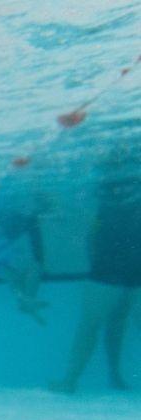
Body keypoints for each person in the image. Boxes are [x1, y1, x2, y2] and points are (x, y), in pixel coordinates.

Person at [51, 148, 139, 392]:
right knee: (106, 323)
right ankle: (78, 379)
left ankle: (77, 380)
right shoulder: (108, 186)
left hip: (114, 263)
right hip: (121, 263)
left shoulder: (100, 186)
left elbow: (87, 228)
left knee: (101, 324)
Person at [0, 192, 49, 324]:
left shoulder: (20, 215)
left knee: (15, 276)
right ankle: (26, 302)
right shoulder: (17, 212)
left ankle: (25, 301)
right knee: (28, 270)